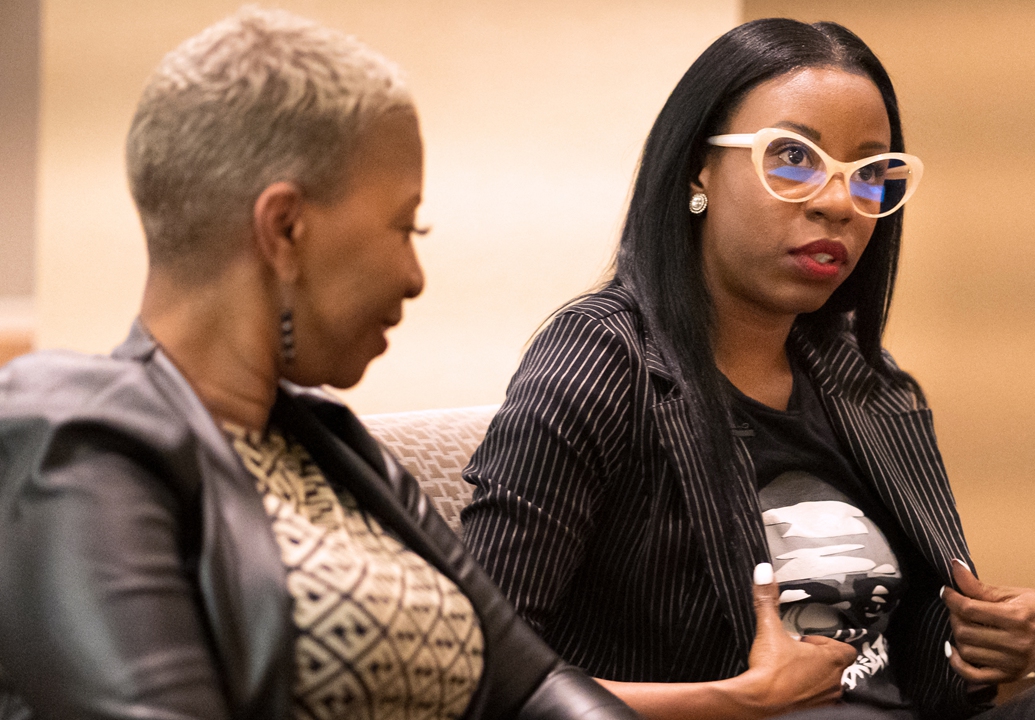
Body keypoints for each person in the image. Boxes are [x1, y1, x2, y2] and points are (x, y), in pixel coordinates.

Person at [460, 18, 1035, 720]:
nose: (839, 203)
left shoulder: (864, 381)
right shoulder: (602, 358)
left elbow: (925, 670)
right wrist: (733, 701)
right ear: (696, 170)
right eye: (794, 158)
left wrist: (1016, 643)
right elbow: (478, 673)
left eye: (870, 175)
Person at [0, 9, 635, 720]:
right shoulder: (75, 440)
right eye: (405, 226)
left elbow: (533, 687)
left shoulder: (335, 448)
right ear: (285, 229)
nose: (414, 275)